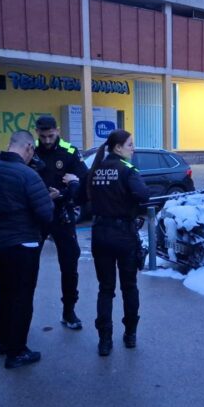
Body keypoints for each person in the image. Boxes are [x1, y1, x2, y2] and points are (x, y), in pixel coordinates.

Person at [0, 130, 53, 369]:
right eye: (32, 151)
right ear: (28, 147)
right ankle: (17, 352)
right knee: (22, 296)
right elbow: (46, 214)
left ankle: (4, 341)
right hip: (23, 244)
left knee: (4, 291)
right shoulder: (27, 175)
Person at [87, 129, 150, 356]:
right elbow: (143, 195)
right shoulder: (127, 169)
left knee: (105, 289)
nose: (133, 149)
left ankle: (105, 341)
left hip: (100, 235)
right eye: (130, 145)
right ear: (118, 148)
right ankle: (130, 334)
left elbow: (82, 198)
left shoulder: (96, 169)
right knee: (129, 287)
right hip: (124, 236)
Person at [33, 115, 88, 330]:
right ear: (37, 132)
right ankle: (23, 316)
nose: (47, 140)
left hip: (61, 214)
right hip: (37, 216)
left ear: (57, 130)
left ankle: (69, 312)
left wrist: (63, 194)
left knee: (69, 265)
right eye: (43, 135)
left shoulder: (69, 152)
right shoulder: (31, 152)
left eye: (51, 135)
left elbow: (83, 182)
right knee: (28, 265)